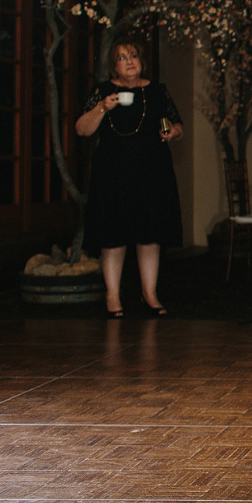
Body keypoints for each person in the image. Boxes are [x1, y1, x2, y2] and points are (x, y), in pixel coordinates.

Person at [75, 40, 183, 318]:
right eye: (122, 58)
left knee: (149, 235)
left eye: (133, 56)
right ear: (114, 66)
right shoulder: (103, 92)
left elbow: (176, 124)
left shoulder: (157, 91)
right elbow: (82, 129)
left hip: (152, 170)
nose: (130, 61)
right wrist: (102, 107)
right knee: (113, 235)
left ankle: (150, 295)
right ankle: (113, 297)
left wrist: (172, 132)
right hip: (113, 171)